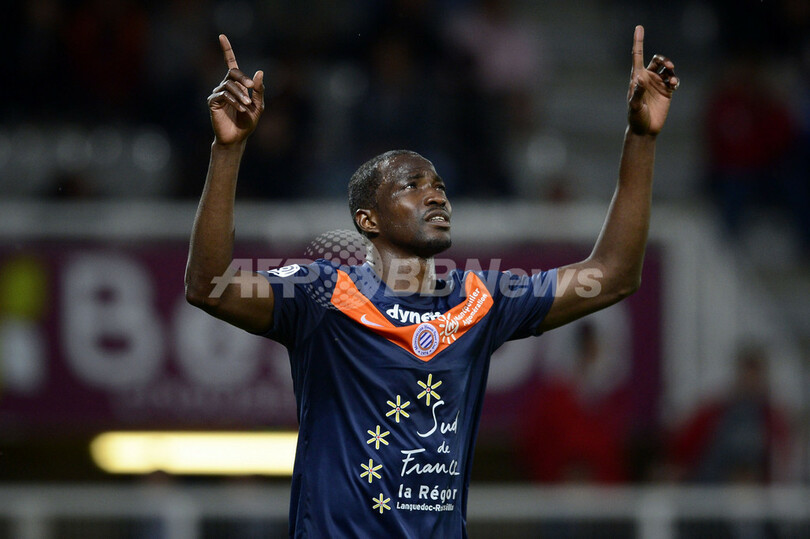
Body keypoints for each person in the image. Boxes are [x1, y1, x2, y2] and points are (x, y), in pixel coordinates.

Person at [185, 27, 678, 538]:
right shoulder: (324, 296)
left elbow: (613, 275)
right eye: (412, 185)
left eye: (439, 185)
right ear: (368, 220)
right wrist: (228, 150)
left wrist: (641, 139)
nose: (436, 194)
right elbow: (208, 286)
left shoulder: (479, 300)